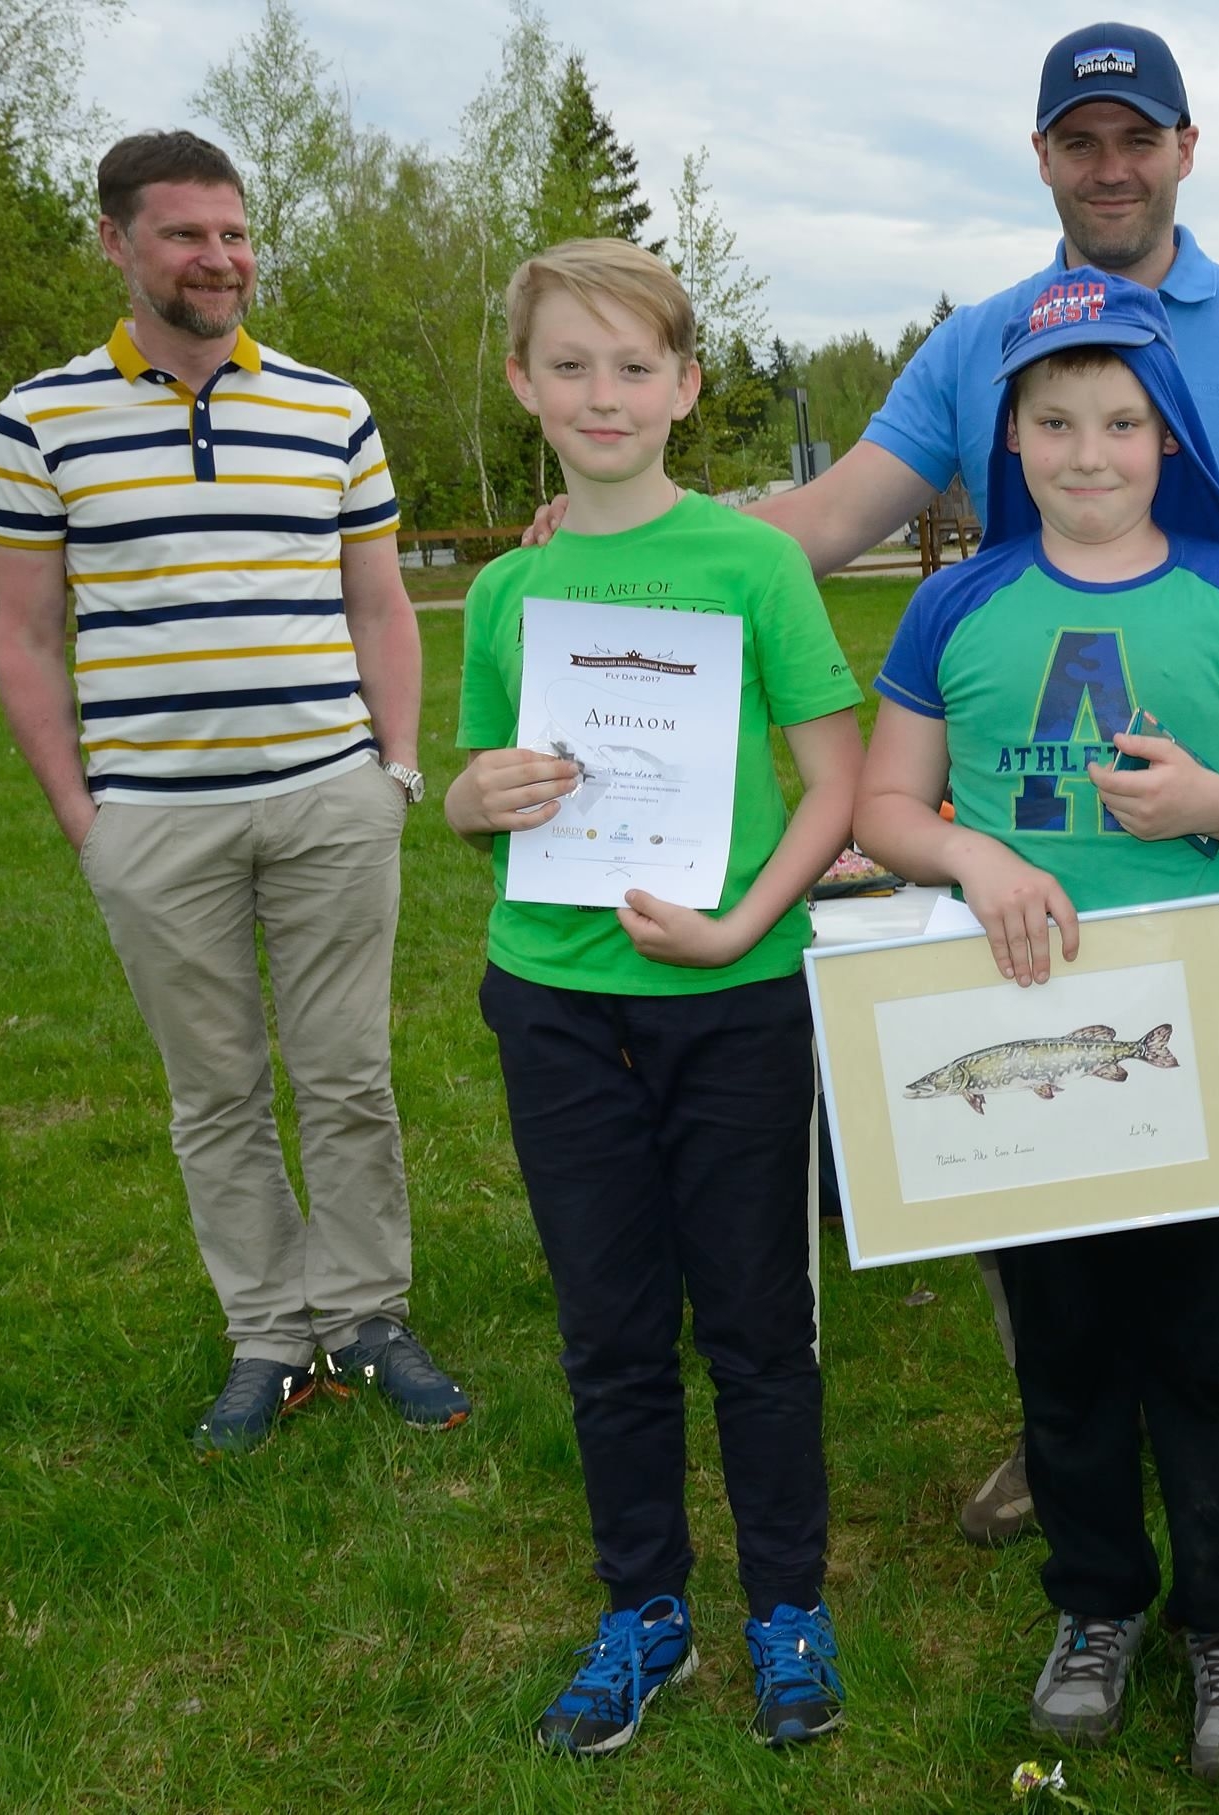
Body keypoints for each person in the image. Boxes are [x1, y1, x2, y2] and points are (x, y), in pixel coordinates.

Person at [524, 20, 1219, 1547]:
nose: (1112, 165)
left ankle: (1218, 1420)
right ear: (1046, 157)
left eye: (1140, 137)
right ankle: (1059, 1424)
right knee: (1023, 1140)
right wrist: (633, 527)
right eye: (1082, 140)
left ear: (1187, 149)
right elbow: (821, 518)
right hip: (1031, 844)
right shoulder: (978, 339)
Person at [854, 268, 1219, 1782]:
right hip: (1017, 1010)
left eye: (1121, 421)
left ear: (1166, 435)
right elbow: (883, 804)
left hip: (1209, 1005)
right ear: (1008, 437)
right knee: (1061, 1338)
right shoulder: (959, 601)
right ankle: (1096, 1603)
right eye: (1054, 420)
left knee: (1212, 1339)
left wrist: (1209, 803)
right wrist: (977, 851)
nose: (1088, 451)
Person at [0, 130, 467, 1456]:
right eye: (187, 234)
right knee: (216, 1093)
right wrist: (88, 821)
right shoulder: (41, 419)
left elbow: (381, 600)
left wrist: (397, 769)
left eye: (235, 232)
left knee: (348, 1076)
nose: (220, 258)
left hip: (330, 803)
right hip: (154, 819)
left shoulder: (330, 408)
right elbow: (24, 635)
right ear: (118, 243)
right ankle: (269, 1333)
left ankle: (367, 1319)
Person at [444, 239, 865, 1757]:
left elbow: (837, 778)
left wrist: (748, 919)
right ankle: (646, 1612)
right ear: (522, 385)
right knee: (610, 1327)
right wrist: (468, 797)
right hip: (553, 999)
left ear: (687, 387)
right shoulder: (507, 588)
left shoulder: (751, 562)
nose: (601, 394)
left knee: (757, 1321)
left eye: (634, 366)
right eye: (570, 365)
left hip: (734, 995)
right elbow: (478, 787)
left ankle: (785, 1608)